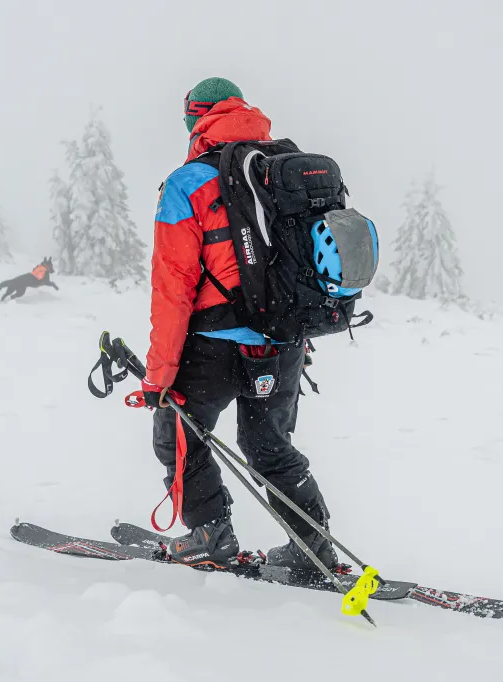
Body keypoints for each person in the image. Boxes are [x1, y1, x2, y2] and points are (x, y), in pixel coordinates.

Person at [141, 77, 337, 570]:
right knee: (269, 446)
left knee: (180, 435)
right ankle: (313, 550)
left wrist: (158, 376)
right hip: (284, 341)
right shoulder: (280, 170)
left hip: (213, 345)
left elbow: (173, 289)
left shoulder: (187, 183)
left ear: (197, 119)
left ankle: (210, 532)